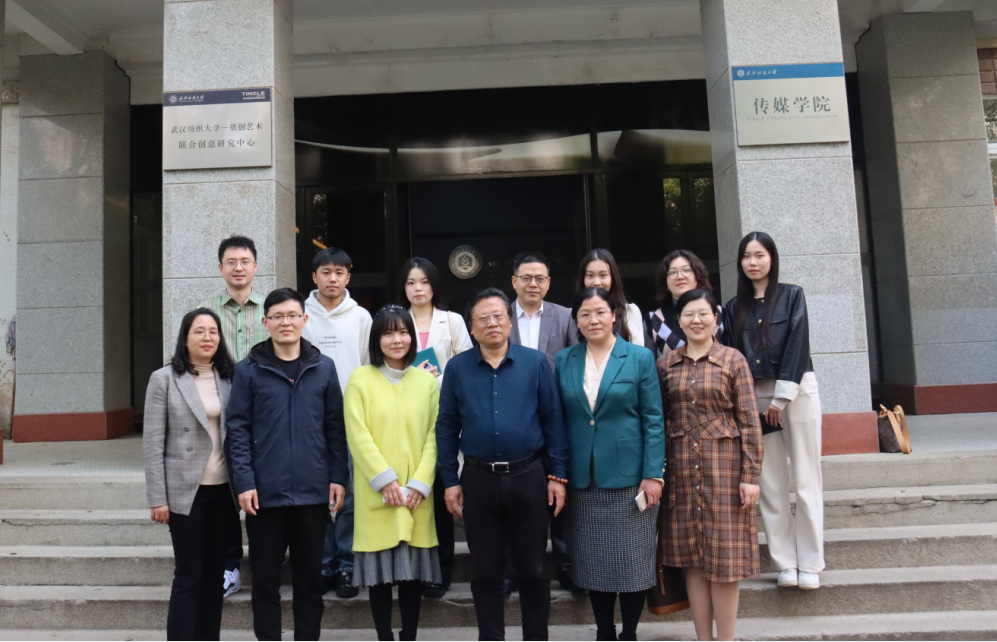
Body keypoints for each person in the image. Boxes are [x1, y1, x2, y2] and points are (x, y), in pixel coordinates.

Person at [436, 287, 569, 641]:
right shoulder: (457, 368)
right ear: (472, 327)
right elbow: (446, 427)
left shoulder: (535, 363)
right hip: (478, 480)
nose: (492, 323)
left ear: (509, 322)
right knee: (485, 571)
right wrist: (450, 480)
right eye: (483, 318)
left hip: (529, 476)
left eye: (498, 316)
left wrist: (557, 475)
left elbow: (553, 421)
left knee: (534, 568)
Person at [226, 288, 349, 641]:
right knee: (265, 584)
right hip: (265, 496)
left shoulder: (323, 367)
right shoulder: (248, 370)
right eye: (278, 316)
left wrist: (338, 476)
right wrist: (244, 482)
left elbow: (335, 428)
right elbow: (237, 430)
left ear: (304, 320)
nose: (286, 322)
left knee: (310, 584)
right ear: (265, 322)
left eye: (293, 315)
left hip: (312, 493)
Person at [555, 287, 664, 641]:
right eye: (585, 314)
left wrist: (654, 474)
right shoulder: (565, 359)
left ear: (614, 315)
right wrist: (557, 473)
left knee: (633, 562)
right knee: (593, 562)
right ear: (576, 320)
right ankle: (604, 631)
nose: (593, 320)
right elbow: (558, 419)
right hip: (583, 477)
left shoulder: (639, 357)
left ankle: (629, 633)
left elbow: (653, 419)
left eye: (600, 312)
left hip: (631, 477)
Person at [658, 289, 762, 641]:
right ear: (679, 320)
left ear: (715, 318)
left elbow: (749, 422)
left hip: (725, 473)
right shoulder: (666, 364)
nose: (696, 320)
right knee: (693, 560)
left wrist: (751, 477)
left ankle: (725, 639)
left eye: (703, 313)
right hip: (682, 472)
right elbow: (660, 420)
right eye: (689, 314)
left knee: (725, 562)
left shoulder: (733, 360)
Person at [721, 231, 824, 590]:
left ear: (772, 258)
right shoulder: (734, 307)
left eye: (759, 255)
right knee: (770, 483)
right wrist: (747, 404)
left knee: (807, 479)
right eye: (746, 256)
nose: (753, 262)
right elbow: (734, 358)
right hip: (756, 398)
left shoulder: (792, 295)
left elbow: (798, 345)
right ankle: (785, 563)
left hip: (796, 393)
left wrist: (781, 400)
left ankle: (810, 562)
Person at [344, 305, 442, 641]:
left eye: (402, 332)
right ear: (376, 339)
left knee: (412, 576)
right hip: (377, 494)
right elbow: (357, 434)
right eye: (388, 333)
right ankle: (384, 636)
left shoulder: (426, 382)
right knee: (380, 578)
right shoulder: (360, 379)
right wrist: (384, 480)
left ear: (412, 337)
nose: (396, 339)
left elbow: (435, 435)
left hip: (416, 494)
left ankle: (409, 635)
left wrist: (420, 482)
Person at [143, 308, 238, 641]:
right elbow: (152, 444)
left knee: (214, 575)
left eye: (213, 331)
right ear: (185, 338)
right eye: (199, 331)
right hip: (186, 492)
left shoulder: (230, 377)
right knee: (188, 574)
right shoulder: (164, 379)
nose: (207, 337)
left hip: (224, 490)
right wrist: (158, 499)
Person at [506, 250, 582, 597]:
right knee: (516, 500)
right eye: (526, 277)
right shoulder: (500, 315)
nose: (533, 284)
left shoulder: (565, 317)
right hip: (513, 419)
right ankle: (513, 571)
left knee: (559, 491)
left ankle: (567, 567)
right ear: (514, 281)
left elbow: (575, 363)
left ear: (549, 283)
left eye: (539, 278)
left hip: (556, 418)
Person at [301, 247, 373, 599]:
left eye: (339, 272)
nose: (333, 278)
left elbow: (369, 366)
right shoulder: (301, 316)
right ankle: (323, 563)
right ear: (314, 277)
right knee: (316, 495)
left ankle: (347, 564)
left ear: (348, 277)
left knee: (350, 495)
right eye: (326, 272)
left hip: (352, 418)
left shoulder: (361, 317)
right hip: (309, 419)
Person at [398, 257, 473, 599]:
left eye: (424, 282)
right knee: (414, 497)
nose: (418, 288)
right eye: (411, 282)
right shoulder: (396, 321)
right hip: (407, 420)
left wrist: (433, 379)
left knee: (442, 495)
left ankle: (441, 572)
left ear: (434, 285)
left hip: (445, 418)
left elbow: (466, 367)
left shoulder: (452, 320)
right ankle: (411, 570)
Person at [199, 236, 268, 597]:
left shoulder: (271, 308)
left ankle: (266, 559)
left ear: (255, 266)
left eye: (245, 261)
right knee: (224, 489)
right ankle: (230, 565)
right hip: (221, 409)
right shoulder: (206, 311)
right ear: (220, 268)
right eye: (231, 262)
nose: (238, 268)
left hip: (266, 409)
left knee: (263, 483)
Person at [647, 250, 720, 360]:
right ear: (665, 281)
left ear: (697, 276)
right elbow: (648, 365)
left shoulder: (720, 313)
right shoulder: (653, 319)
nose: (680, 276)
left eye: (686, 270)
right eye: (672, 272)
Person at [576, 249, 643, 345]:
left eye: (603, 275)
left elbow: (638, 351)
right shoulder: (572, 315)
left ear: (612, 278)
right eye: (590, 275)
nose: (596, 282)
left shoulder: (629, 312)